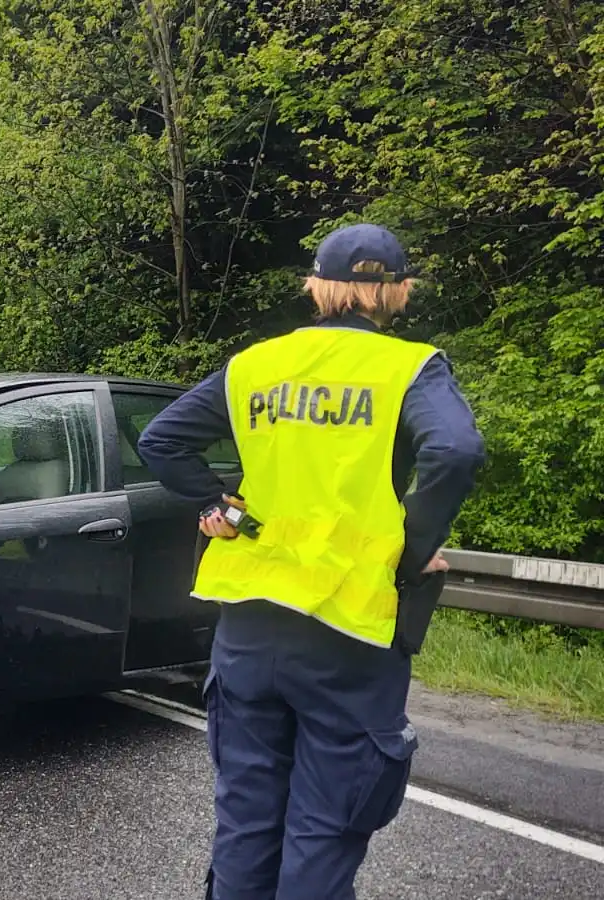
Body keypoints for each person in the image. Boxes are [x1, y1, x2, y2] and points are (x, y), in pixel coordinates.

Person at [136, 223, 486, 900]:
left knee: (245, 824)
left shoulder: (257, 366)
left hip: (248, 631)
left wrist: (224, 509)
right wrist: (409, 553)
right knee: (323, 831)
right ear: (397, 291)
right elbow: (456, 452)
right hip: (347, 634)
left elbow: (161, 440)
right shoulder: (409, 368)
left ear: (316, 286)